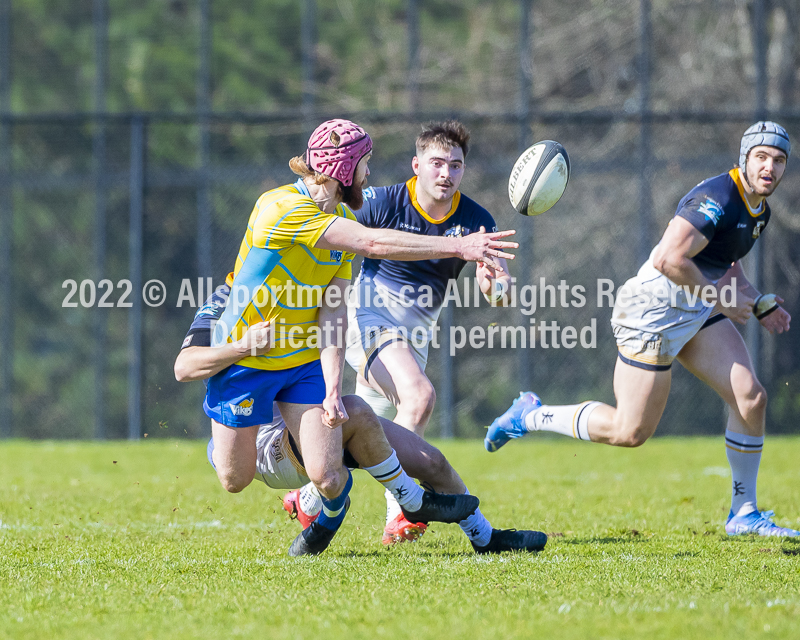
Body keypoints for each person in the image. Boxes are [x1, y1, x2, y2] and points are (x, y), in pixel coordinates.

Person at [204, 119, 517, 555]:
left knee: (353, 442)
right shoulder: (293, 207)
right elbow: (370, 243)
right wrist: (458, 247)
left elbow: (334, 302)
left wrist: (494, 282)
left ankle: (320, 500)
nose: (446, 173)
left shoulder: (465, 219)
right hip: (324, 332)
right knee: (418, 397)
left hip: (355, 345)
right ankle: (400, 510)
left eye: (456, 165)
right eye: (437, 163)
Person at [485, 121, 798, 537]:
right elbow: (670, 259)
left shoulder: (759, 209)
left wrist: (757, 301)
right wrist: (721, 299)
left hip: (695, 308)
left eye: (778, 160)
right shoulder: (718, 196)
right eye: (761, 157)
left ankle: (743, 513)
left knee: (751, 399)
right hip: (652, 311)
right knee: (629, 431)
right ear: (744, 158)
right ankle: (529, 414)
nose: (770, 167)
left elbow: (726, 259)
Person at [175, 283, 548, 555]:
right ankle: (382, 503)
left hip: (321, 422)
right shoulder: (229, 299)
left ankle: (485, 538)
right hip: (265, 444)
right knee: (356, 411)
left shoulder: (312, 290)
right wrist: (243, 346)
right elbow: (184, 366)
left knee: (432, 461)